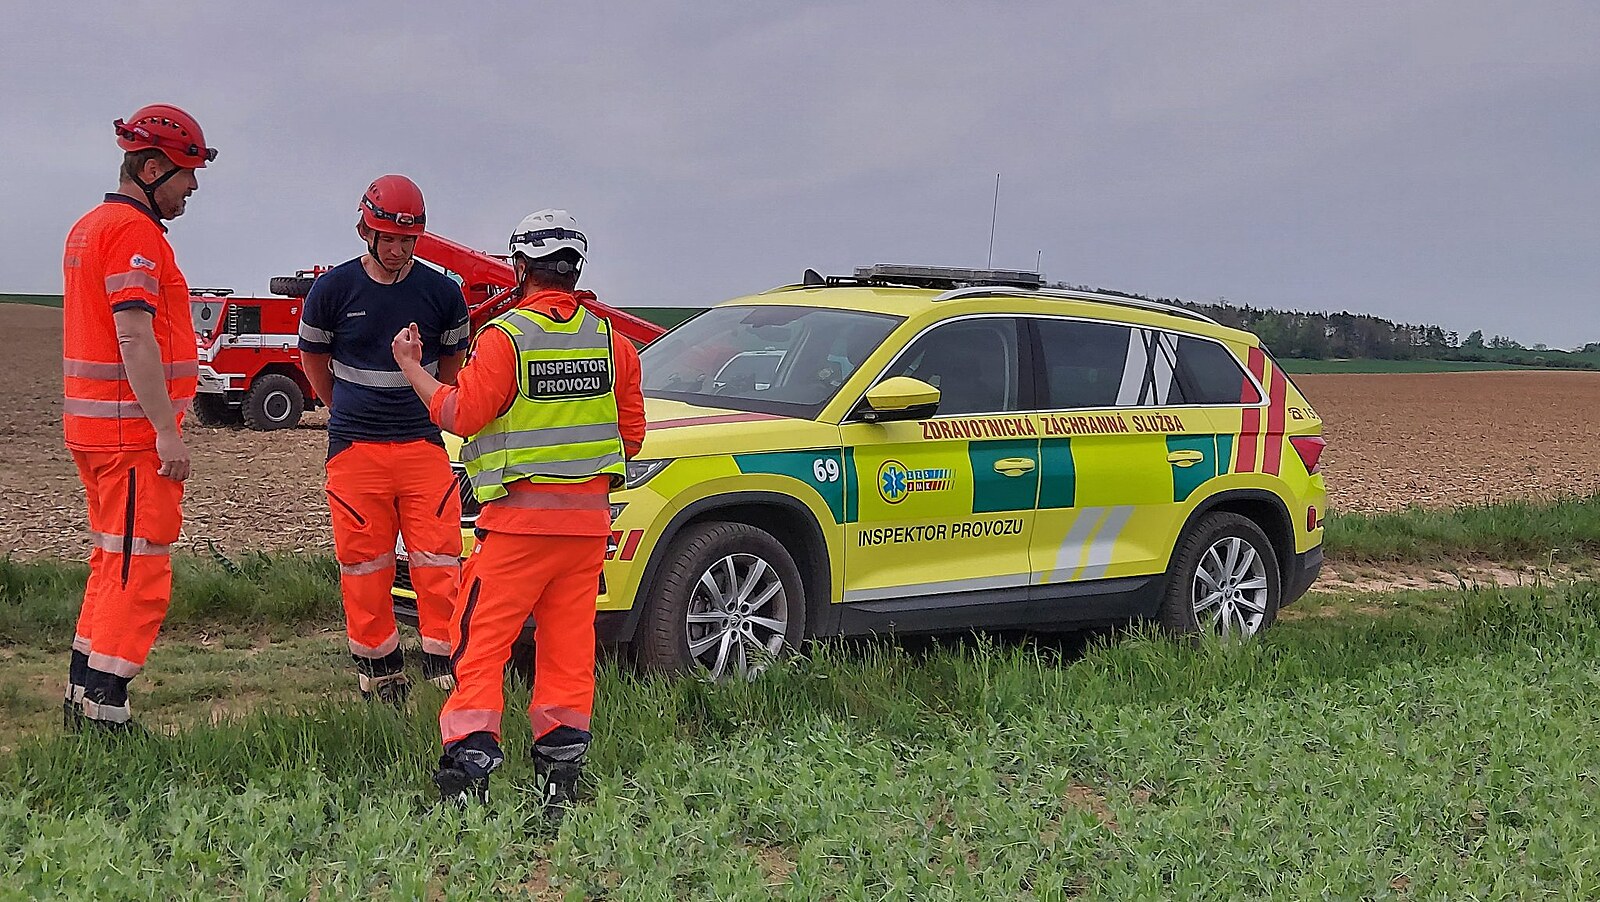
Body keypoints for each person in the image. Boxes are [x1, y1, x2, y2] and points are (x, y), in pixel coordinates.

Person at [391, 209, 645, 811]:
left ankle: (468, 772)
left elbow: (460, 415)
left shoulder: (505, 339)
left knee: (478, 645)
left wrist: (411, 368)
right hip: (586, 534)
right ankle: (561, 779)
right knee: (568, 652)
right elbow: (631, 438)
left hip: (516, 531)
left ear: (521, 267)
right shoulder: (614, 343)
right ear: (575, 269)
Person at [61, 104, 216, 730]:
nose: (192, 187)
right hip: (131, 436)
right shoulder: (134, 233)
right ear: (152, 169)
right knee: (139, 569)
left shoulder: (89, 226)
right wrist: (167, 431)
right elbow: (133, 334)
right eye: (186, 173)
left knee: (112, 561)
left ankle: (83, 697)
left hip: (99, 431)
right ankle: (106, 710)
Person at [297, 175, 471, 703]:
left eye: (407, 240)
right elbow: (314, 364)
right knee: (364, 566)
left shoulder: (442, 294)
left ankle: (445, 666)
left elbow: (451, 370)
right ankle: (379, 673)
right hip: (356, 449)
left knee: (439, 560)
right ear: (364, 232)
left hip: (422, 445)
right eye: (388, 239)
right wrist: (344, 409)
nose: (397, 250)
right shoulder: (332, 291)